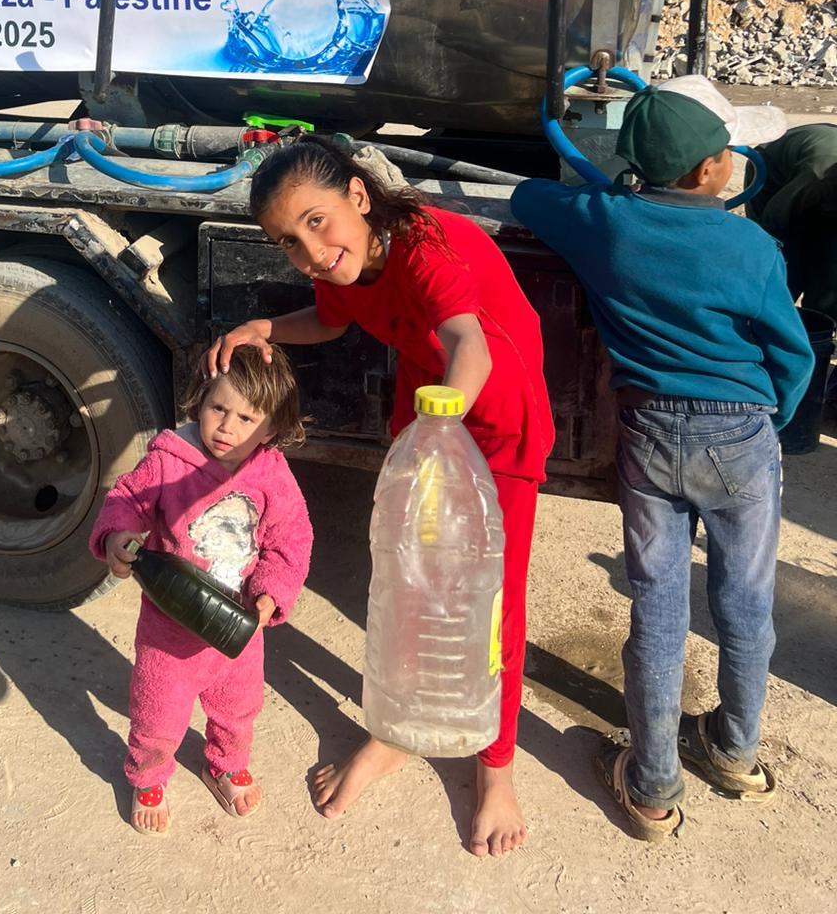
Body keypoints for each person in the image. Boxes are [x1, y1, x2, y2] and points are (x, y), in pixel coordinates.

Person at [206, 135, 553, 858]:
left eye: (317, 221)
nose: (309, 251)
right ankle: (393, 734)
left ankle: (494, 772)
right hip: (429, 424)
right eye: (288, 242)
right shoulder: (346, 261)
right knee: (407, 589)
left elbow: (471, 348)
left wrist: (439, 439)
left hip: (492, 429)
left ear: (358, 197)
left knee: (490, 605)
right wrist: (264, 327)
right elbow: (331, 319)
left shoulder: (428, 248)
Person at [511, 85, 814, 842]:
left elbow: (526, 194)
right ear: (715, 169)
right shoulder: (750, 247)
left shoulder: (606, 225)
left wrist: (613, 192)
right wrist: (767, 420)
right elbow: (793, 351)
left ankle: (650, 787)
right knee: (745, 604)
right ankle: (735, 752)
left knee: (658, 606)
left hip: (648, 433)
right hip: (741, 432)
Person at [89, 345, 313, 834]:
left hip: (238, 624)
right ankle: (148, 775)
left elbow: (292, 539)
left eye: (247, 419)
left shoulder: (271, 476)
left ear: (271, 429)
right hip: (170, 625)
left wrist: (271, 594)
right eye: (218, 409)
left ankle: (225, 763)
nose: (227, 428)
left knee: (239, 708)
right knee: (157, 711)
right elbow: (127, 498)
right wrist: (117, 536)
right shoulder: (171, 459)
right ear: (201, 401)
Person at [747, 122, 837, 323]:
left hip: (822, 186)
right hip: (772, 169)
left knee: (829, 263)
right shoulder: (818, 177)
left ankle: (821, 321)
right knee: (785, 257)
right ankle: (767, 321)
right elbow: (773, 221)